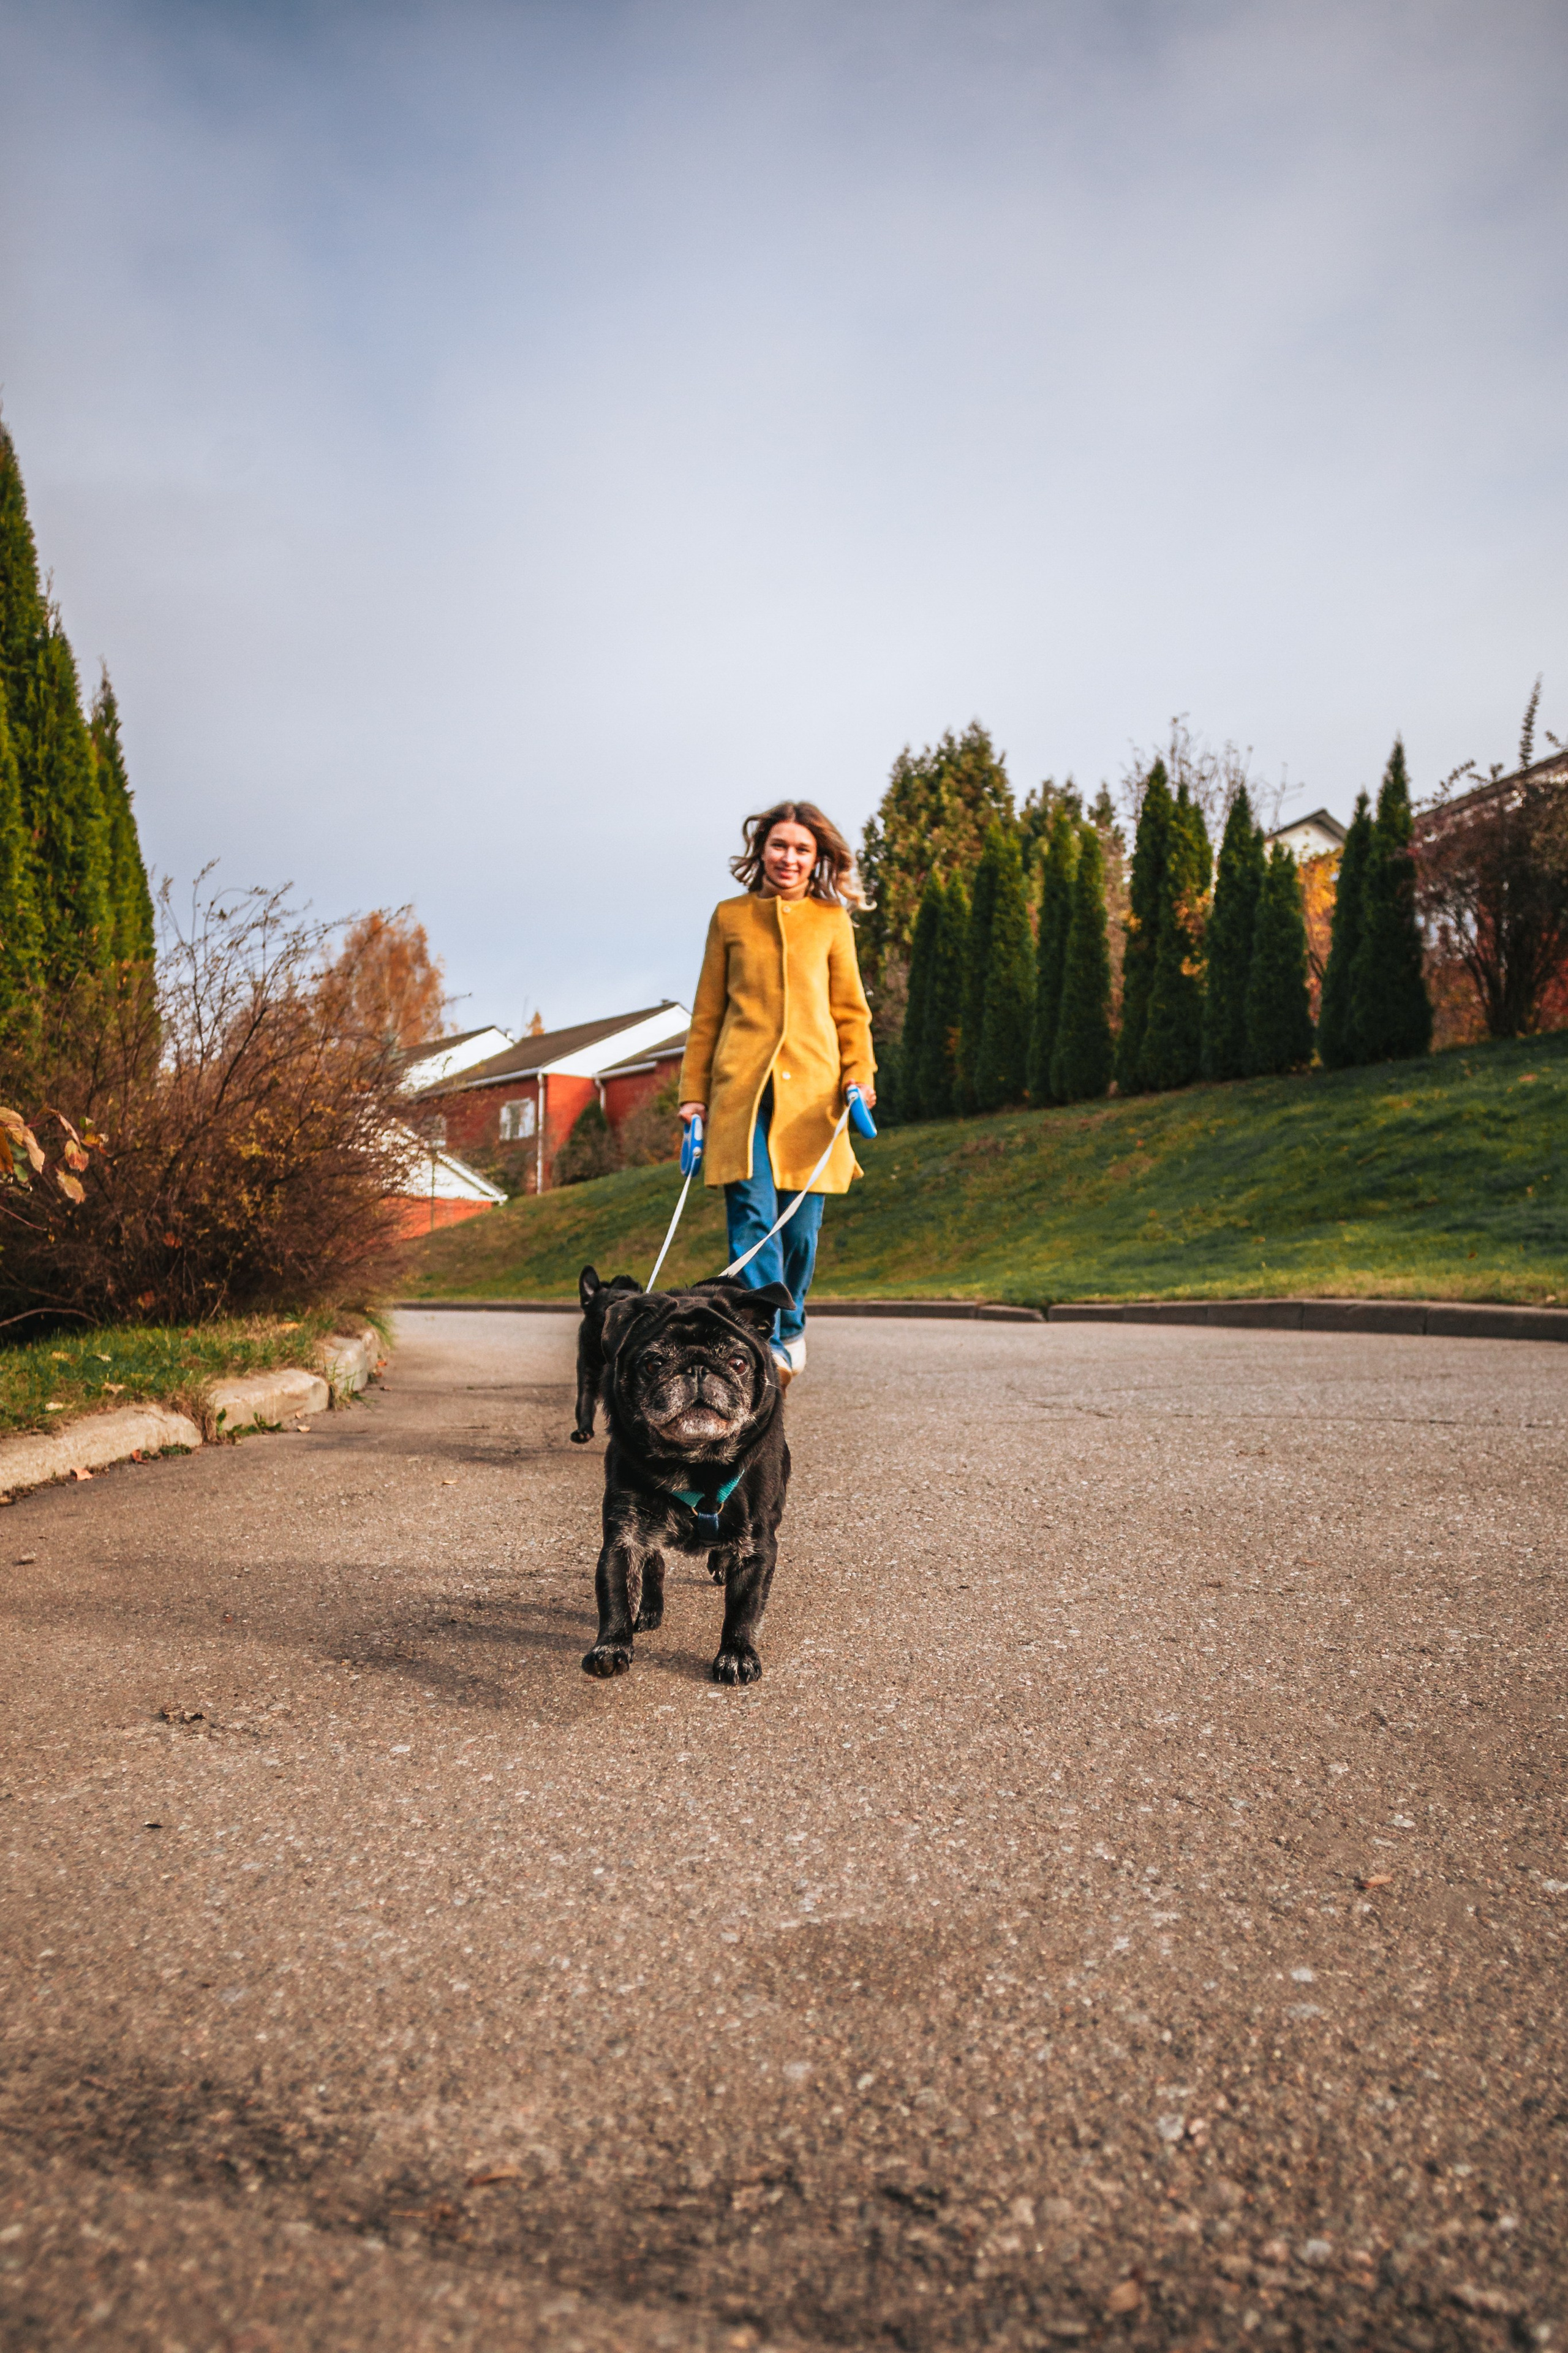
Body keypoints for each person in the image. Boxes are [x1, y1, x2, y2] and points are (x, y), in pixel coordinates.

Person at [677, 801, 876, 1385]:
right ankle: (768, 1341)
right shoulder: (730, 917)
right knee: (752, 1218)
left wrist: (859, 1075)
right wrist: (694, 1095)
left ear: (818, 861)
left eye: (802, 849)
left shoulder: (831, 921)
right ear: (761, 849)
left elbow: (851, 1013)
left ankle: (791, 1329)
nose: (789, 858)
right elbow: (707, 1014)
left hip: (815, 1098)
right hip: (742, 1093)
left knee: (799, 1231)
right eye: (780, 845)